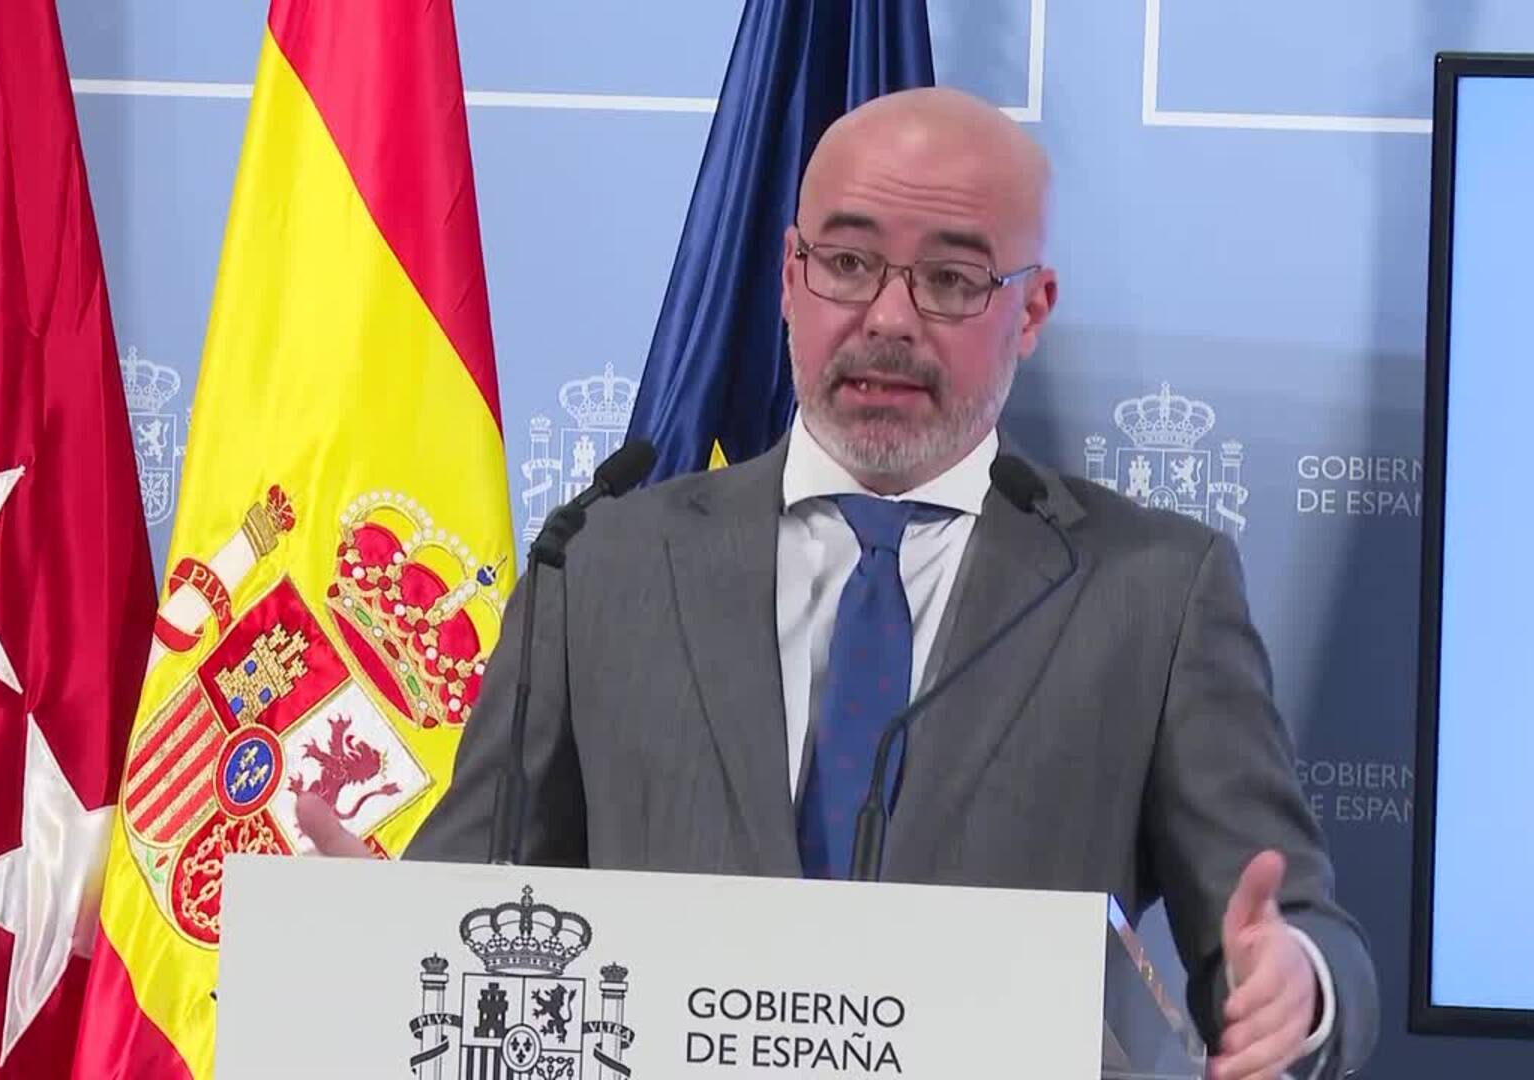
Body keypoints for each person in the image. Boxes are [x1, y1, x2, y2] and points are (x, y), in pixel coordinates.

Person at [299, 86, 1377, 1079]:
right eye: (849, 263)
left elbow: (1299, 931)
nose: (889, 320)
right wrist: (382, 946)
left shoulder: (1151, 590)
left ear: (1032, 310)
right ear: (789, 275)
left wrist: (1297, 988)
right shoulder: (604, 563)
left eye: (951, 280)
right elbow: (479, 901)